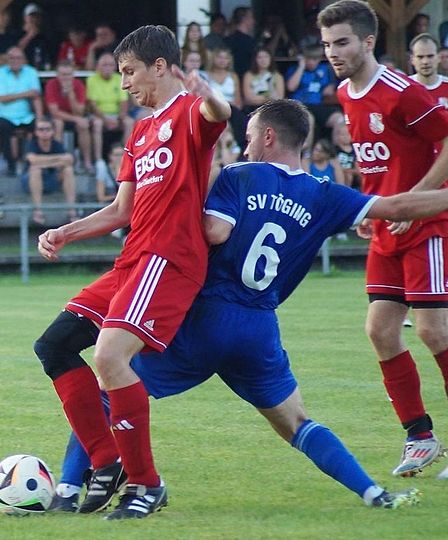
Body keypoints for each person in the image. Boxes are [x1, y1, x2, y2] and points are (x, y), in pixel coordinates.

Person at [53, 99, 444, 513]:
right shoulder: (324, 193)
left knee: (112, 383)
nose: (244, 147)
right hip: (258, 328)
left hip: (204, 319)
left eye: (250, 136)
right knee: (296, 422)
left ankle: (70, 489)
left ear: (269, 137)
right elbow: (398, 207)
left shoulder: (241, 175)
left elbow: (215, 232)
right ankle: (374, 494)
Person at [33, 25, 229, 520]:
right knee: (53, 345)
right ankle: (106, 460)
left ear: (160, 67)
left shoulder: (187, 113)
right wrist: (66, 232)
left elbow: (218, 115)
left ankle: (146, 484)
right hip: (133, 261)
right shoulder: (141, 133)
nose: (123, 84)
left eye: (129, 72)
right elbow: (122, 210)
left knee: (110, 355)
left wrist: (212, 95)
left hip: (168, 262)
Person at [319, 0, 448, 479]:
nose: (333, 52)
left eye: (343, 42)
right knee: (379, 331)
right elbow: (377, 160)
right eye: (328, 44)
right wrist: (366, 207)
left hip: (426, 225)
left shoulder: (400, 91)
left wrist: (414, 200)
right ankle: (420, 436)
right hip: (386, 228)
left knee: (434, 330)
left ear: (368, 41)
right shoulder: (346, 93)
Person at [0, 46, 42, 176]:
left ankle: (32, 164)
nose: (15, 61)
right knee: (4, 127)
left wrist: (40, 118)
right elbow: (2, 99)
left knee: (41, 126)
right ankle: (10, 165)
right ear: (7, 59)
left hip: (26, 115)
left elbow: (35, 96)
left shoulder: (31, 72)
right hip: (3, 115)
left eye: (18, 58)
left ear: (24, 60)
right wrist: (25, 94)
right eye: (11, 58)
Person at [87, 53, 134, 175]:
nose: (107, 67)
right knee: (97, 124)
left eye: (110, 65)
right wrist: (106, 119)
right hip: (99, 115)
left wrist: (120, 118)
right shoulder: (92, 79)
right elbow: (93, 105)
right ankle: (98, 161)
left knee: (129, 122)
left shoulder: (119, 78)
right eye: (104, 65)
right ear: (98, 66)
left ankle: (127, 158)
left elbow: (123, 102)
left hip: (117, 115)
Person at [23, 118, 77, 225]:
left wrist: (42, 161)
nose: (44, 132)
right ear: (36, 132)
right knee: (35, 170)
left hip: (53, 178)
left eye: (47, 129)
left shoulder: (56, 144)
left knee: (68, 170)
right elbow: (33, 161)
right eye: (41, 129)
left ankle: (72, 211)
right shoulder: (31, 144)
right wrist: (57, 160)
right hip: (30, 181)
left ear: (52, 131)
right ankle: (38, 211)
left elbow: (69, 159)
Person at [45, 61, 93, 175]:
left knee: (83, 125)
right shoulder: (51, 84)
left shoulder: (78, 85)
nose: (65, 78)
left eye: (68, 74)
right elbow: (54, 112)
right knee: (58, 123)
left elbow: (80, 112)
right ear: (57, 75)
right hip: (57, 117)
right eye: (63, 74)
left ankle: (87, 162)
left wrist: (71, 94)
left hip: (73, 115)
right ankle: (58, 161)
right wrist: (76, 119)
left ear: (73, 75)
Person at [286, 44, 338, 133]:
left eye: (315, 59)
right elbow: (291, 87)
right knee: (308, 119)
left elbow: (330, 89)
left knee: (339, 119)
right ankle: (307, 147)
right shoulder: (294, 69)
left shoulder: (325, 69)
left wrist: (330, 87)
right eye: (308, 59)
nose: (311, 62)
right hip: (298, 106)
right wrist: (301, 67)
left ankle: (333, 147)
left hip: (318, 105)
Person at [409, 33, 448, 146]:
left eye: (430, 56)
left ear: (439, 57)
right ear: (412, 59)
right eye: (420, 57)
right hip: (416, 159)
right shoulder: (402, 89)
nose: (425, 62)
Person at [224, 7, 256, 78]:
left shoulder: (227, 40)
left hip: (231, 78)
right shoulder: (250, 42)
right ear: (244, 19)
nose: (253, 21)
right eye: (251, 18)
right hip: (246, 78)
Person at [18, 3, 51, 70]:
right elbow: (15, 50)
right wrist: (29, 36)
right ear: (25, 18)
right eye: (31, 16)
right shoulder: (17, 33)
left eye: (37, 16)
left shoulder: (42, 37)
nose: (34, 19)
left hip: (40, 72)